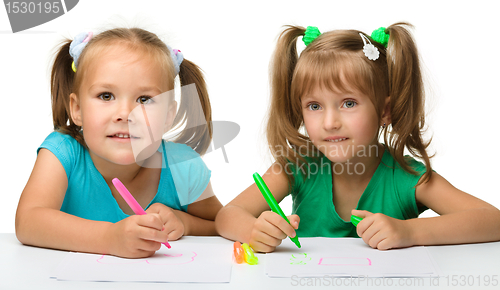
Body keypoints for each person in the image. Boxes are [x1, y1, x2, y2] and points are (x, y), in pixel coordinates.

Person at [215, 23, 500, 252]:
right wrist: (252, 231)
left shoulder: (405, 175)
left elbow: (493, 221)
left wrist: (410, 231)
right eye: (314, 106)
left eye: (348, 103)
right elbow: (227, 216)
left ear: (385, 110)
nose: (330, 122)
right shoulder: (297, 166)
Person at [15, 27, 223, 258]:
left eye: (144, 99)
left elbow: (222, 224)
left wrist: (185, 222)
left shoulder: (183, 167)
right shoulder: (62, 153)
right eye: (106, 96)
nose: (125, 114)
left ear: (167, 116)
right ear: (77, 109)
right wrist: (109, 238)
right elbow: (28, 221)